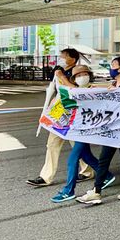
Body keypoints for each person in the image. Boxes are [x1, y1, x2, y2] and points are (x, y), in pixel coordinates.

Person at [76, 56, 120, 204]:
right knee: (103, 160)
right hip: (111, 131)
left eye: (113, 65)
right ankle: (96, 191)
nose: (111, 68)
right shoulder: (113, 84)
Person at [27, 48, 94, 187]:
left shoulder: (79, 72)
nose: (61, 58)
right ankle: (45, 177)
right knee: (52, 144)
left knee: (77, 145)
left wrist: (62, 77)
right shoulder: (59, 71)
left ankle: (87, 171)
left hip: (74, 116)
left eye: (64, 56)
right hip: (59, 115)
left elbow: (76, 91)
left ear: (73, 59)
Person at [50, 65, 115, 203]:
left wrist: (62, 77)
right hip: (78, 129)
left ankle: (69, 190)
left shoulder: (92, 90)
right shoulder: (75, 90)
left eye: (84, 74)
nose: (82, 77)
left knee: (72, 159)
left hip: (86, 131)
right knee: (86, 156)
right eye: (78, 76)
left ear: (89, 75)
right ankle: (107, 176)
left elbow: (76, 91)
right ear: (74, 79)